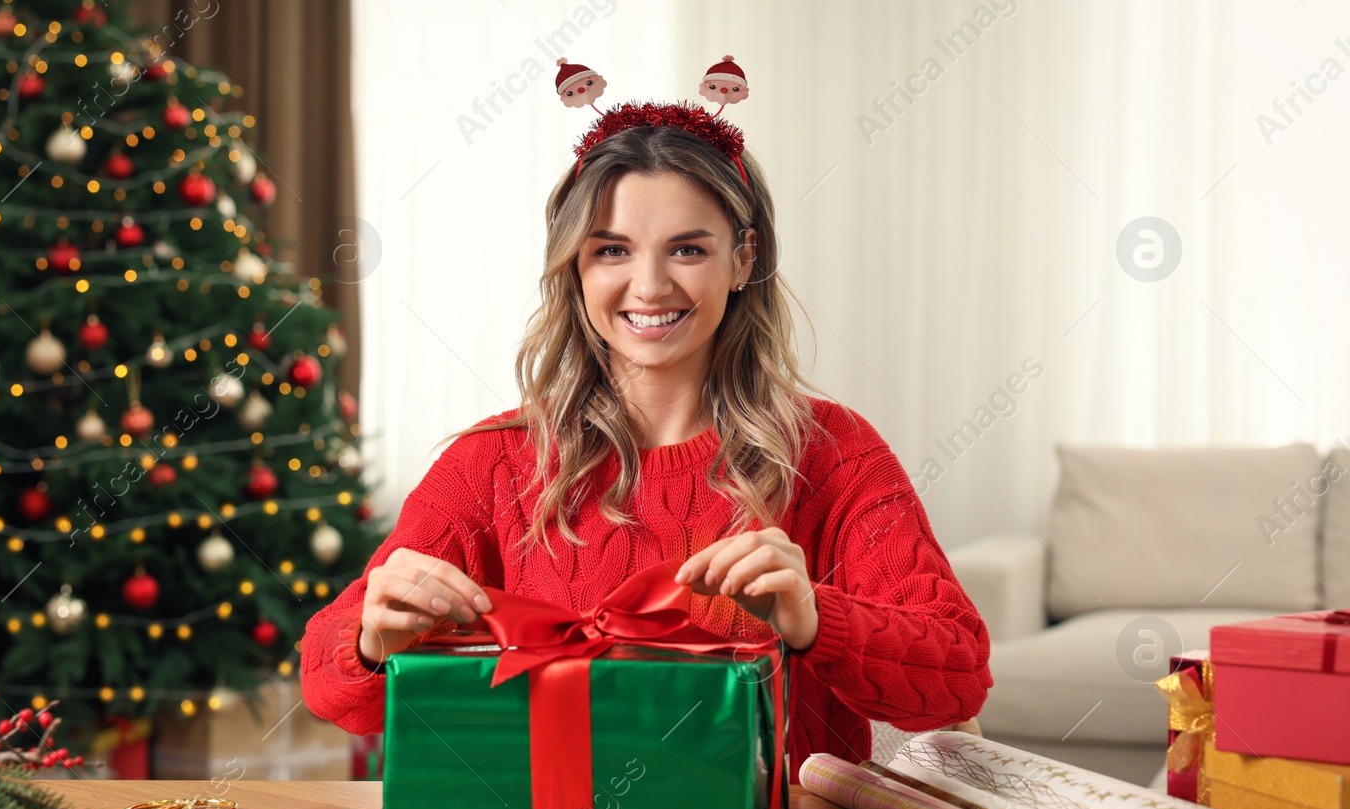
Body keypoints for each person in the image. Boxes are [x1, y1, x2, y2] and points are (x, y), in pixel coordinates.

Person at [302, 58, 991, 770]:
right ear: (576, 268)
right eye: (612, 251)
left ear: (742, 258)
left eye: (688, 249)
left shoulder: (832, 452)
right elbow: (332, 690)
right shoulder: (489, 465)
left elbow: (960, 673)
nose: (650, 285)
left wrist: (817, 621)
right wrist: (369, 639)